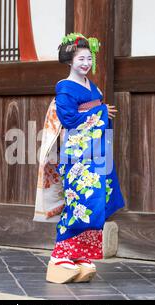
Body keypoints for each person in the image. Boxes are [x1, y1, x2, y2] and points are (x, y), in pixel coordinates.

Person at [34, 33, 125, 284]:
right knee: (79, 204)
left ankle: (80, 256)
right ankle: (60, 256)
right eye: (81, 58)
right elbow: (70, 120)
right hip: (78, 156)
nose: (85, 63)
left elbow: (94, 113)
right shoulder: (64, 88)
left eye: (88, 58)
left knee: (95, 203)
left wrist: (100, 111)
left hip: (96, 153)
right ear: (70, 61)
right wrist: (100, 111)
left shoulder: (91, 85)